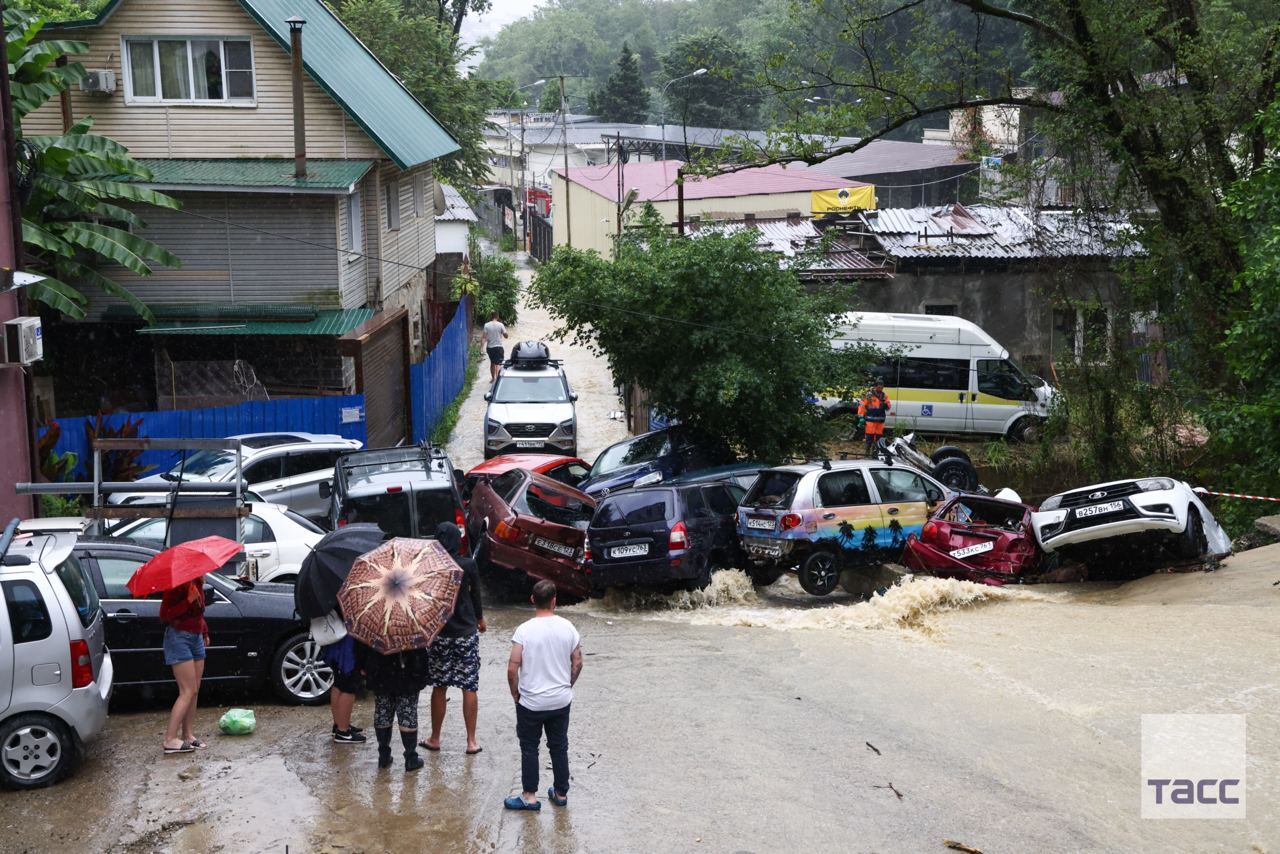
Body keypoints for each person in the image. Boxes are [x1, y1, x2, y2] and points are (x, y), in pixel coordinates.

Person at [504, 580, 583, 811]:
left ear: (532, 600)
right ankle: (560, 793)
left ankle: (529, 796)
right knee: (559, 746)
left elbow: (512, 669)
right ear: (554, 601)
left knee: (530, 747)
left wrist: (515, 694)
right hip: (560, 700)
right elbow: (577, 662)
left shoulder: (524, 631)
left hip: (531, 702)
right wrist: (567, 686)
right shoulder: (568, 627)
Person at [421, 523, 486, 755]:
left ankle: (435, 738)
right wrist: (480, 619)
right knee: (469, 686)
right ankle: (471, 741)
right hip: (465, 633)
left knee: (439, 686)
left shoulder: (432, 568)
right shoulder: (468, 565)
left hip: (440, 635)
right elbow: (476, 595)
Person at [362, 642, 431, 772]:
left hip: (380, 666)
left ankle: (383, 756)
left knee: (383, 709)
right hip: (408, 667)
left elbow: (363, 643)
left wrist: (363, 664)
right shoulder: (411, 622)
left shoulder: (375, 622)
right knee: (407, 711)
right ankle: (410, 757)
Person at [160, 577, 208, 755]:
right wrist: (187, 600)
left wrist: (204, 631)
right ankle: (170, 739)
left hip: (196, 638)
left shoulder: (199, 583)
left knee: (194, 690)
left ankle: (188, 735)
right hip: (178, 638)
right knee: (187, 691)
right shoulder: (176, 586)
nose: (206, 572)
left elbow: (198, 613)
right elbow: (165, 615)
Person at [321, 622, 365, 744]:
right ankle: (343, 732)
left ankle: (339, 724)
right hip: (346, 644)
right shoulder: (345, 605)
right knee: (349, 686)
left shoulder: (329, 604)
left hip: (337, 637)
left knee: (339, 683)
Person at [857, 377, 892, 456]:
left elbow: (889, 407)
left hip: (880, 422)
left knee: (878, 440)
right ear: (876, 386)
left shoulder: (884, 396)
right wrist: (861, 417)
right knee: (869, 439)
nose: (881, 388)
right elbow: (862, 406)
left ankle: (874, 454)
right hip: (870, 421)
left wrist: (886, 404)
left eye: (882, 386)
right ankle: (866, 454)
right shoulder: (869, 395)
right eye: (879, 386)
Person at [483, 311, 509, 382]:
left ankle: (493, 378)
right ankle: (497, 379)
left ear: (491, 317)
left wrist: (481, 349)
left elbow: (484, 338)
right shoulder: (500, 325)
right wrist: (506, 334)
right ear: (497, 317)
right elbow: (506, 336)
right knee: (498, 363)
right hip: (498, 347)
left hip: (490, 348)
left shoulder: (486, 325)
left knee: (492, 362)